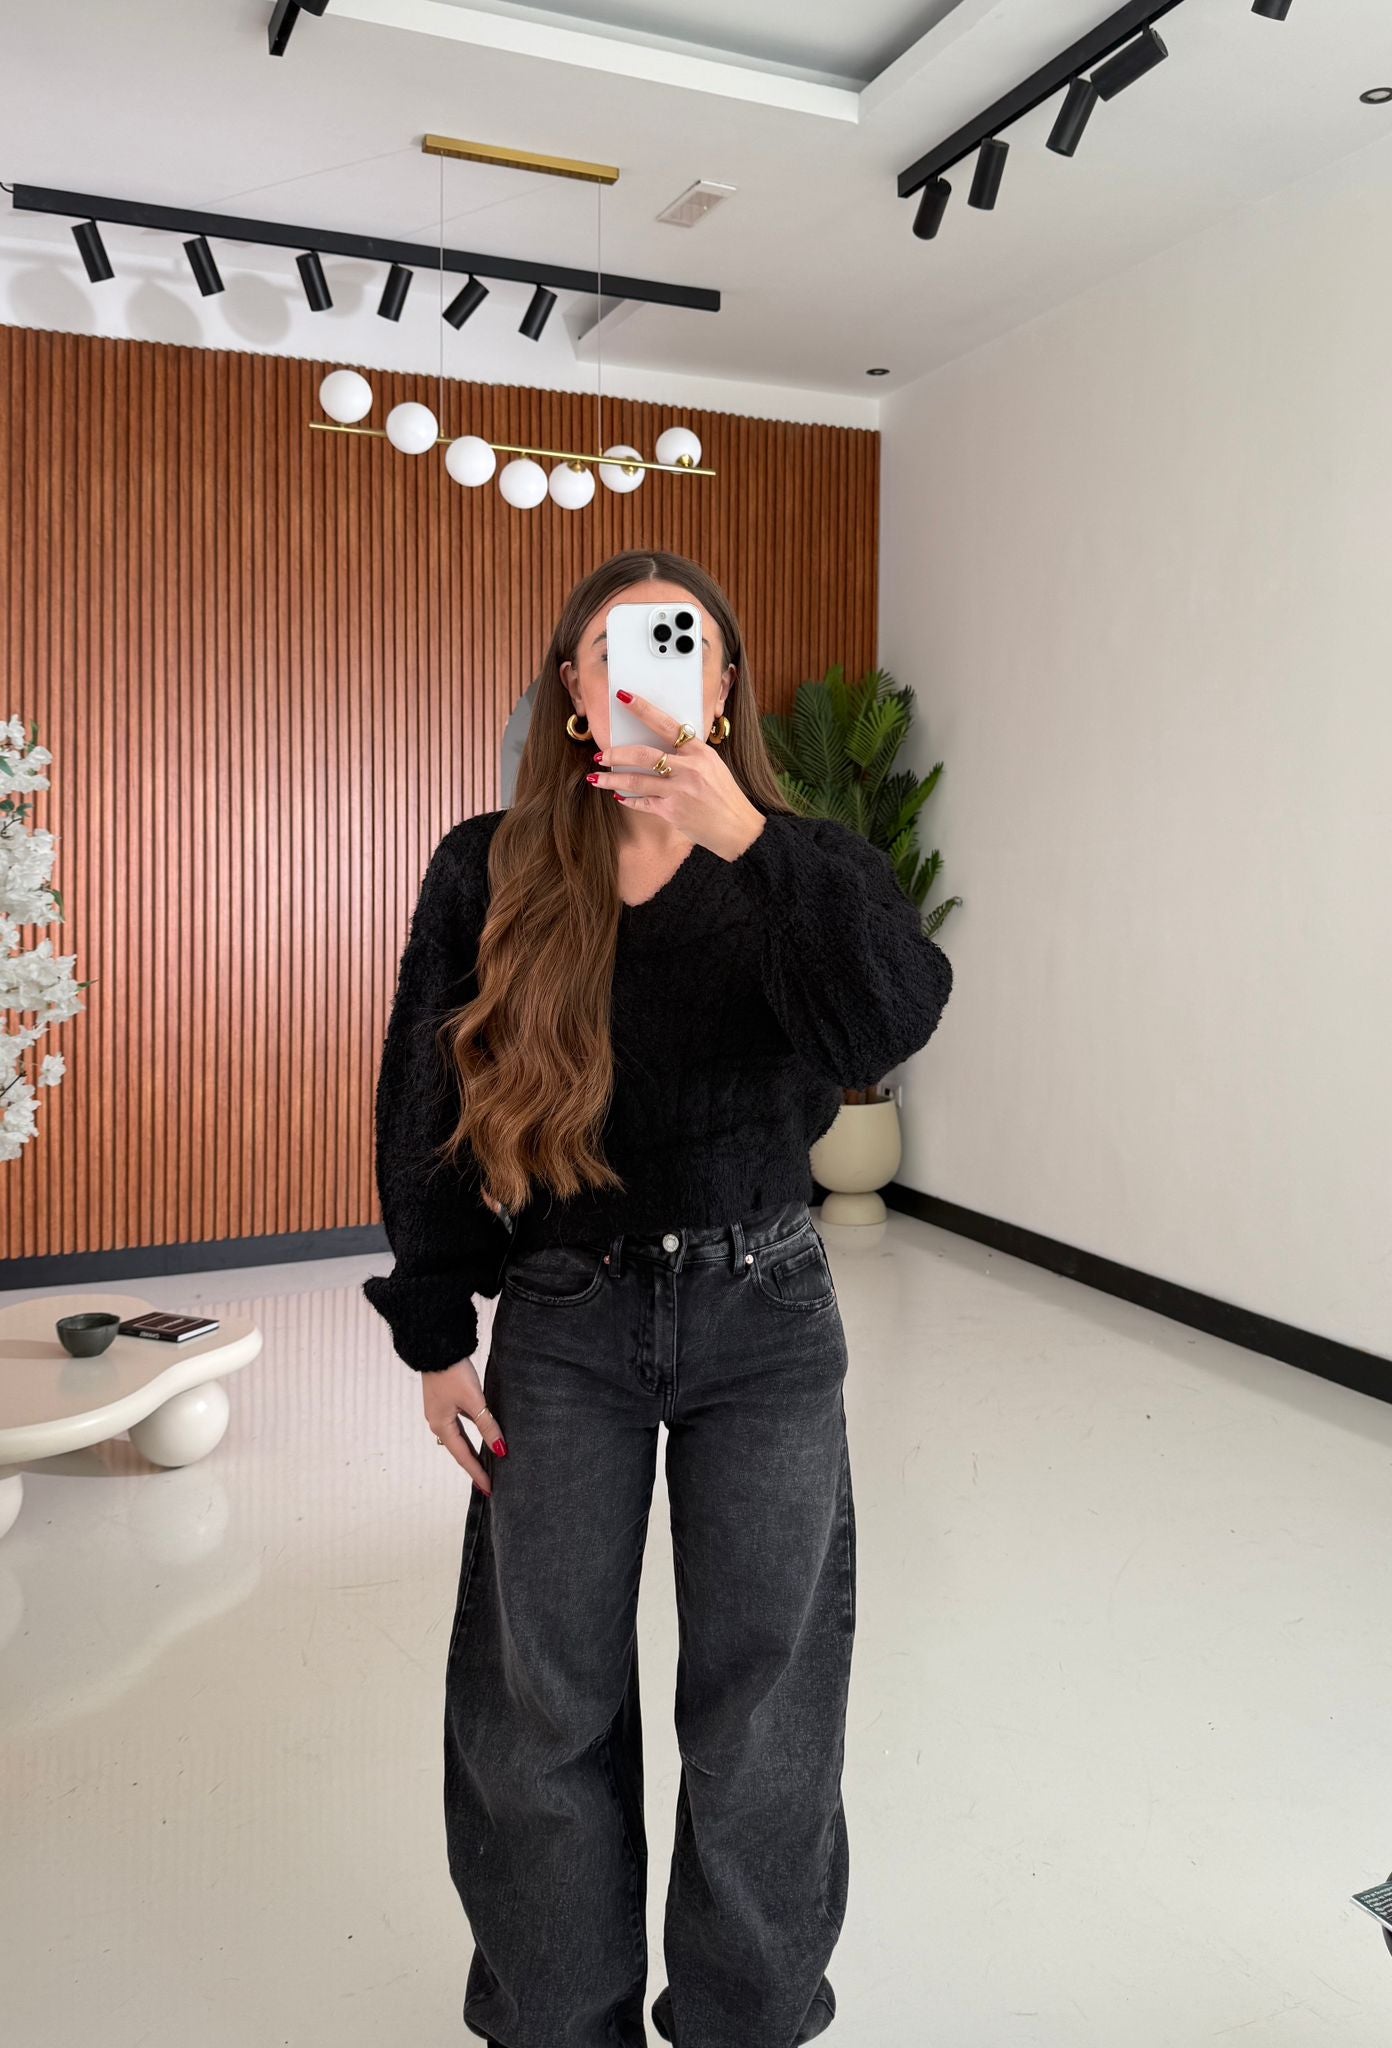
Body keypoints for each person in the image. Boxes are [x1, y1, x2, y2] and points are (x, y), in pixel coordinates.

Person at [363, 549, 954, 2048]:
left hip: (766, 1317)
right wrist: (435, 1330)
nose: (640, 674)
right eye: (609, 651)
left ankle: (743, 2020)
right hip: (563, 1319)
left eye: (676, 646)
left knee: (765, 1712)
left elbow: (891, 1018)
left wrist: (743, 834)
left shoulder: (802, 864)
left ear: (723, 683)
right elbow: (428, 1092)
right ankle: (560, 2019)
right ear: (572, 689)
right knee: (541, 1706)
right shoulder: (490, 866)